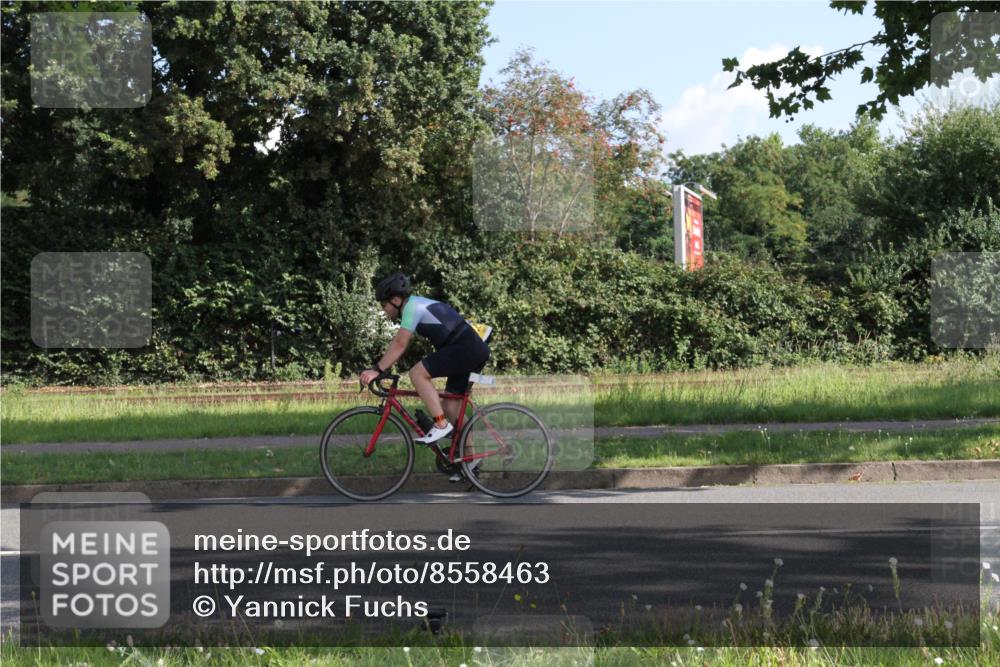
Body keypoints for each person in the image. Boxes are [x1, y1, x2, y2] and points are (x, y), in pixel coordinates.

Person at [360, 272, 490, 449]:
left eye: (384, 305)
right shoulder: (416, 304)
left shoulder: (411, 307)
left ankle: (440, 424)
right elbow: (401, 344)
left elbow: (400, 343)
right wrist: (382, 366)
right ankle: (469, 461)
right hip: (469, 348)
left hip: (465, 348)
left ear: (396, 300)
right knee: (451, 407)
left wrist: (377, 369)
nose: (384, 310)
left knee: (417, 373)